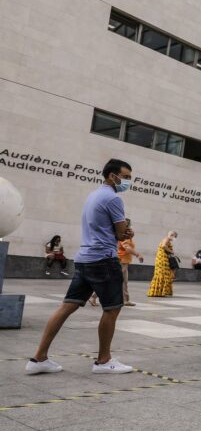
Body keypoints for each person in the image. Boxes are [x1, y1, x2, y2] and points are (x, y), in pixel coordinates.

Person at [26, 159, 135, 375]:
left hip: (84, 259)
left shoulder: (93, 195)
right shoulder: (114, 198)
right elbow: (121, 233)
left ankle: (39, 358)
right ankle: (103, 361)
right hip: (104, 259)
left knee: (67, 306)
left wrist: (121, 232)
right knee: (112, 308)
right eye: (126, 177)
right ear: (112, 176)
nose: (128, 182)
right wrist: (127, 233)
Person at [117, 219, 143, 307]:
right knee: (114, 281)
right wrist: (138, 254)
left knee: (124, 282)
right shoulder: (123, 235)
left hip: (125, 262)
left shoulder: (126, 235)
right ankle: (93, 296)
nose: (131, 231)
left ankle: (126, 300)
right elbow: (127, 247)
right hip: (121, 261)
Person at [147, 231, 177, 297]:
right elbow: (164, 246)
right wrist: (172, 251)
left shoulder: (167, 240)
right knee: (163, 274)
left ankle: (159, 292)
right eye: (173, 235)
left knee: (163, 274)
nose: (173, 237)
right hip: (162, 259)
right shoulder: (166, 239)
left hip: (163, 258)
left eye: (174, 236)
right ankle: (159, 292)